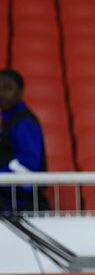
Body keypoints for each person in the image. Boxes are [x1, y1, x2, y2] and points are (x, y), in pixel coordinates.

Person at [0, 69, 48, 213]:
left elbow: (28, 165)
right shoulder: (9, 120)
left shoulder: (23, 122)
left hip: (23, 207)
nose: (2, 93)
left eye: (7, 88)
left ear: (20, 92)